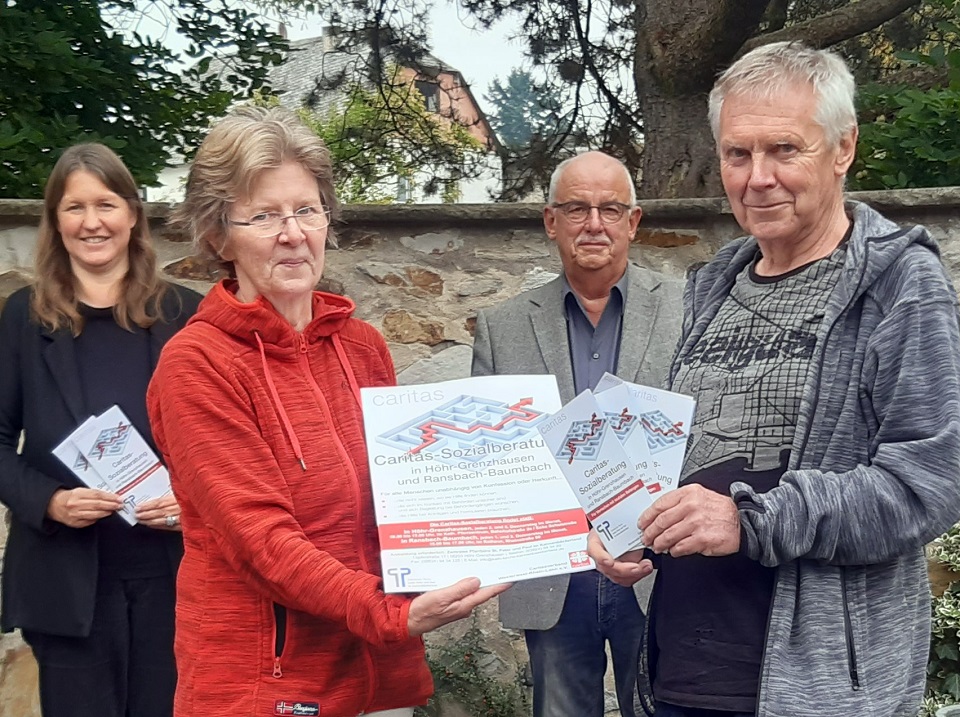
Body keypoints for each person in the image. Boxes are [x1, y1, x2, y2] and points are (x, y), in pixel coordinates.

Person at [591, 42, 960, 717]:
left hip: (815, 687)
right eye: (738, 154)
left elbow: (929, 484)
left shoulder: (899, 283)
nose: (757, 177)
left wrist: (752, 518)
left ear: (842, 148)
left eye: (783, 150)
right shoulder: (713, 286)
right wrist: (629, 526)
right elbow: (694, 459)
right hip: (682, 671)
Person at [146, 106, 506, 717]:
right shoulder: (197, 364)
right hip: (266, 687)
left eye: (306, 210)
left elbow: (415, 502)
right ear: (217, 236)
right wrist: (390, 612)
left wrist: (531, 535)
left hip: (380, 675)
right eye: (263, 216)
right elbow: (263, 541)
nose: (292, 233)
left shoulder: (362, 347)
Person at [471, 151, 683, 717]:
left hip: (657, 567)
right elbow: (496, 460)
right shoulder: (502, 327)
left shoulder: (686, 310)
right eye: (576, 208)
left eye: (610, 208)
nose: (594, 223)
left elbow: (704, 433)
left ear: (633, 222)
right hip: (554, 573)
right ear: (550, 221)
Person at [0, 143, 200, 717]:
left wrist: (194, 502)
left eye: (106, 204)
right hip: (65, 581)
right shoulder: (24, 317)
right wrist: (51, 501)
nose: (92, 222)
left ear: (133, 214)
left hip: (172, 576)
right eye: (74, 207)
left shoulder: (186, 315)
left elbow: (232, 443)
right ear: (55, 221)